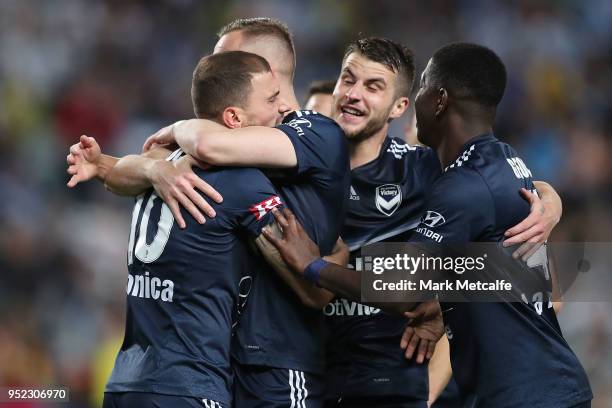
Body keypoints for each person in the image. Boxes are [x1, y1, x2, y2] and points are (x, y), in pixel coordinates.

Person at [262, 42, 593, 407]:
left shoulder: (438, 177)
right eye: (348, 80)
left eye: (374, 86)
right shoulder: (499, 159)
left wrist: (314, 265)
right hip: (523, 388)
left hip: (507, 393)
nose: (354, 95)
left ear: (422, 102)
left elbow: (403, 289)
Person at [69, 17, 351, 407]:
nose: (216, 71)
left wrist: (152, 159)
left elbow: (127, 169)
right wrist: (326, 265)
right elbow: (314, 289)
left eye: (226, 61)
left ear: (261, 68)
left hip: (270, 364)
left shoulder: (310, 135)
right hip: (200, 376)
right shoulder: (224, 173)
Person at [97, 51, 285, 408]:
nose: (282, 110)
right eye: (271, 100)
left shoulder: (158, 167)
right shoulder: (242, 181)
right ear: (234, 117)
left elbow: (117, 176)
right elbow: (305, 277)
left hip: (125, 384)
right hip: (187, 385)